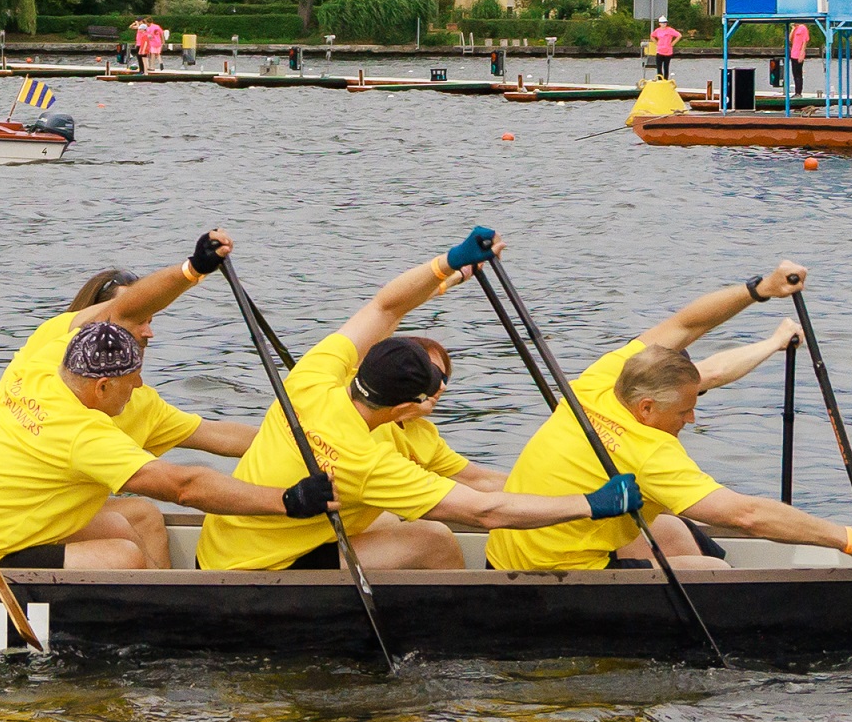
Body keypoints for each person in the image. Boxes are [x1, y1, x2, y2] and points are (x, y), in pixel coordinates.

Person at [197, 234, 664, 571]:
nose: (444, 392)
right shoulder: (367, 462)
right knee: (434, 540)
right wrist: (589, 504)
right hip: (257, 572)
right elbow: (484, 513)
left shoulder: (313, 378)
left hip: (224, 542)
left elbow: (386, 308)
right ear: (406, 408)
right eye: (436, 388)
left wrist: (448, 265)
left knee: (390, 514)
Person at [487, 262, 852, 571]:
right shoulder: (651, 454)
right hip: (549, 577)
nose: (692, 419)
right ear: (646, 408)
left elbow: (688, 324)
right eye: (685, 411)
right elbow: (745, 515)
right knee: (713, 573)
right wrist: (847, 539)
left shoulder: (604, 378)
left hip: (506, 551)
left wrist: (760, 289)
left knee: (670, 527)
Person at [0, 313, 323, 573]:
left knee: (136, 518)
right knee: (123, 556)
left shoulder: (43, 359)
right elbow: (184, 487)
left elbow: (214, 435)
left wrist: (307, 446)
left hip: (6, 522)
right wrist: (287, 500)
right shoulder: (82, 434)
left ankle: (167, 606)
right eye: (133, 380)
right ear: (103, 386)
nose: (142, 385)